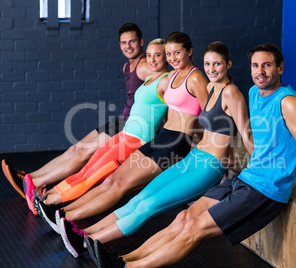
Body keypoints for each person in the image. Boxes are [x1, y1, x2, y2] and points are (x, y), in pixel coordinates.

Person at [89, 44, 296, 267]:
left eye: (267, 65)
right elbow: (255, 137)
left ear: (280, 68)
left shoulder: (290, 103)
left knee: (195, 229)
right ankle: (124, 259)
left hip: (266, 189)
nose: (260, 71)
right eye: (255, 65)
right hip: (245, 178)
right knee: (183, 217)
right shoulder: (255, 93)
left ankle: (130, 267)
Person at [57, 41, 254, 258]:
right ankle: (83, 233)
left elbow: (246, 134)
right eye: (208, 64)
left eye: (217, 64)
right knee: (138, 199)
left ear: (228, 64)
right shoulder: (210, 88)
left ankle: (87, 243)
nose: (211, 69)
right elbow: (214, 126)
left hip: (209, 167)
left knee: (148, 205)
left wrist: (254, 171)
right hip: (194, 158)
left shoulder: (232, 93)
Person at [34, 32, 209, 237]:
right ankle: (61, 214)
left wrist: (208, 145)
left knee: (120, 186)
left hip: (176, 142)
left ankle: (70, 221)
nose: (172, 58)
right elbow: (177, 111)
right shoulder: (172, 77)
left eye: (176, 53)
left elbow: (208, 114)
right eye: (169, 54)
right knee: (110, 181)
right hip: (161, 138)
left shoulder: (196, 77)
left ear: (190, 51)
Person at [1, 22, 152, 205]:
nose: (128, 46)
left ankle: (38, 184)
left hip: (130, 126)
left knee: (82, 155)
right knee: (74, 150)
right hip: (121, 119)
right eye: (123, 42)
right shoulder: (127, 67)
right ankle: (29, 178)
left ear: (141, 42)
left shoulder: (144, 66)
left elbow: (163, 88)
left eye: (132, 42)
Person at [28, 38, 169, 226]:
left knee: (90, 178)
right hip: (124, 135)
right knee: (84, 172)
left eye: (157, 55)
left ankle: (49, 204)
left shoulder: (167, 80)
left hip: (137, 141)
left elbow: (177, 106)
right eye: (149, 55)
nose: (152, 60)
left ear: (166, 57)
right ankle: (45, 199)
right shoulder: (150, 78)